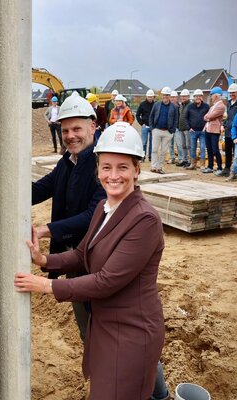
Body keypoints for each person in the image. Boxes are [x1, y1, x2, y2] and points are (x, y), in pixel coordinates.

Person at [15, 121, 165, 399]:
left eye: (123, 167)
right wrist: (44, 259)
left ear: (137, 170)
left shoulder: (144, 220)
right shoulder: (104, 207)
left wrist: (45, 286)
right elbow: (83, 254)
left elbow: (106, 281)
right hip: (105, 327)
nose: (114, 175)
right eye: (106, 167)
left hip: (132, 333)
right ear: (97, 170)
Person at [32, 92, 106, 340]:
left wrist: (45, 230)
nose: (70, 136)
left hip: (98, 261)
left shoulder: (102, 164)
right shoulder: (67, 162)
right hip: (75, 258)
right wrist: (3, 191)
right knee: (87, 327)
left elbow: (91, 216)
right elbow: (40, 189)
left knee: (108, 328)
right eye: (65, 131)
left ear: (92, 126)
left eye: (76, 129)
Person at [149, 86, 179, 174]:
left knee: (163, 151)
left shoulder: (174, 107)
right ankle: (153, 166)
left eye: (167, 95)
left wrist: (172, 131)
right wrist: (152, 128)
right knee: (154, 150)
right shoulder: (156, 104)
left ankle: (159, 167)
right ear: (161, 95)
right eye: (164, 95)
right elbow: (151, 116)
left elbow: (176, 119)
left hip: (167, 132)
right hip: (157, 130)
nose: (165, 96)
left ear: (169, 96)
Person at [220, 83, 237, 177]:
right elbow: (228, 117)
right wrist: (224, 125)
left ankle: (236, 171)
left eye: (233, 93)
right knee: (228, 152)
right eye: (230, 93)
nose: (231, 94)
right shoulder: (229, 102)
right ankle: (227, 169)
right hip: (228, 131)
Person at [202, 87, 226, 174]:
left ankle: (219, 167)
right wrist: (208, 117)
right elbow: (205, 117)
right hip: (208, 129)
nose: (211, 97)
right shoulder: (213, 106)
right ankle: (210, 166)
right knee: (209, 149)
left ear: (216, 96)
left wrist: (208, 117)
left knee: (215, 149)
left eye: (212, 95)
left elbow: (210, 116)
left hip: (215, 130)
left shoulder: (221, 106)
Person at [184, 89, 210, 171]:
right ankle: (193, 164)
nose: (198, 97)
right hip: (193, 131)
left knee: (202, 148)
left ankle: (202, 165)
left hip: (202, 131)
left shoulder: (206, 106)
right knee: (193, 148)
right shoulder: (190, 106)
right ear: (194, 97)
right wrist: (189, 127)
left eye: (199, 96)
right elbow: (185, 117)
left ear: (202, 97)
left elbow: (209, 117)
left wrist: (206, 126)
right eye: (196, 96)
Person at [136, 89, 156, 162]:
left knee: (152, 143)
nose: (150, 98)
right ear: (146, 97)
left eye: (151, 97)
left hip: (153, 127)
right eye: (149, 97)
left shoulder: (155, 104)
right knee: (144, 142)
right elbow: (138, 115)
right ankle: (143, 156)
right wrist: (142, 123)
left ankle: (151, 157)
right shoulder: (142, 104)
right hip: (145, 126)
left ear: (153, 97)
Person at [176, 89, 192, 167]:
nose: (183, 98)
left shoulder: (190, 105)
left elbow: (192, 117)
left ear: (188, 97)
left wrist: (189, 126)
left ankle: (190, 161)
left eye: (185, 96)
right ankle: (184, 160)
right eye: (182, 96)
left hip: (188, 128)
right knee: (183, 145)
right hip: (182, 128)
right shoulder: (181, 105)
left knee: (189, 145)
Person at [167, 90, 180, 164]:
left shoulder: (180, 107)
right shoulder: (168, 107)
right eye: (171, 97)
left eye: (174, 97)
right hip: (169, 128)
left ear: (176, 98)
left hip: (177, 128)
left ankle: (180, 158)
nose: (172, 99)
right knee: (170, 144)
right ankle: (172, 157)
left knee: (179, 144)